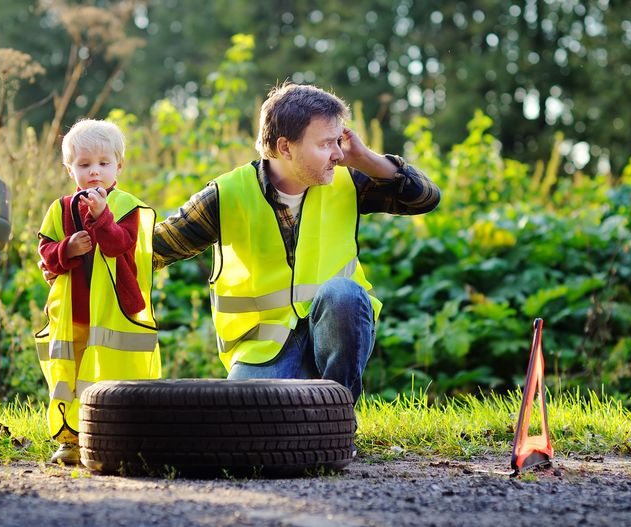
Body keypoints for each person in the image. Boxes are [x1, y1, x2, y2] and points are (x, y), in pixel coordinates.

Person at [150, 83, 440, 407]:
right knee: (249, 429)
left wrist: (366, 159)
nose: (338, 154)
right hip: (262, 353)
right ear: (285, 147)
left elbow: (425, 197)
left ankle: (339, 416)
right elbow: (155, 248)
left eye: (338, 141)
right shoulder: (228, 194)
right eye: (326, 143)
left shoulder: (347, 180)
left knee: (345, 293)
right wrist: (96, 228)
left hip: (331, 335)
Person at [35, 119, 160, 465]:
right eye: (84, 165)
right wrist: (66, 250)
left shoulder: (126, 206)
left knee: (111, 377)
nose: (94, 172)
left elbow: (119, 244)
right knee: (69, 379)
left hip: (115, 313)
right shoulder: (59, 210)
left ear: (118, 166)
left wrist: (102, 215)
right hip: (72, 315)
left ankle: (116, 438)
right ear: (69, 169)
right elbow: (45, 255)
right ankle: (69, 441)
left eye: (103, 164)